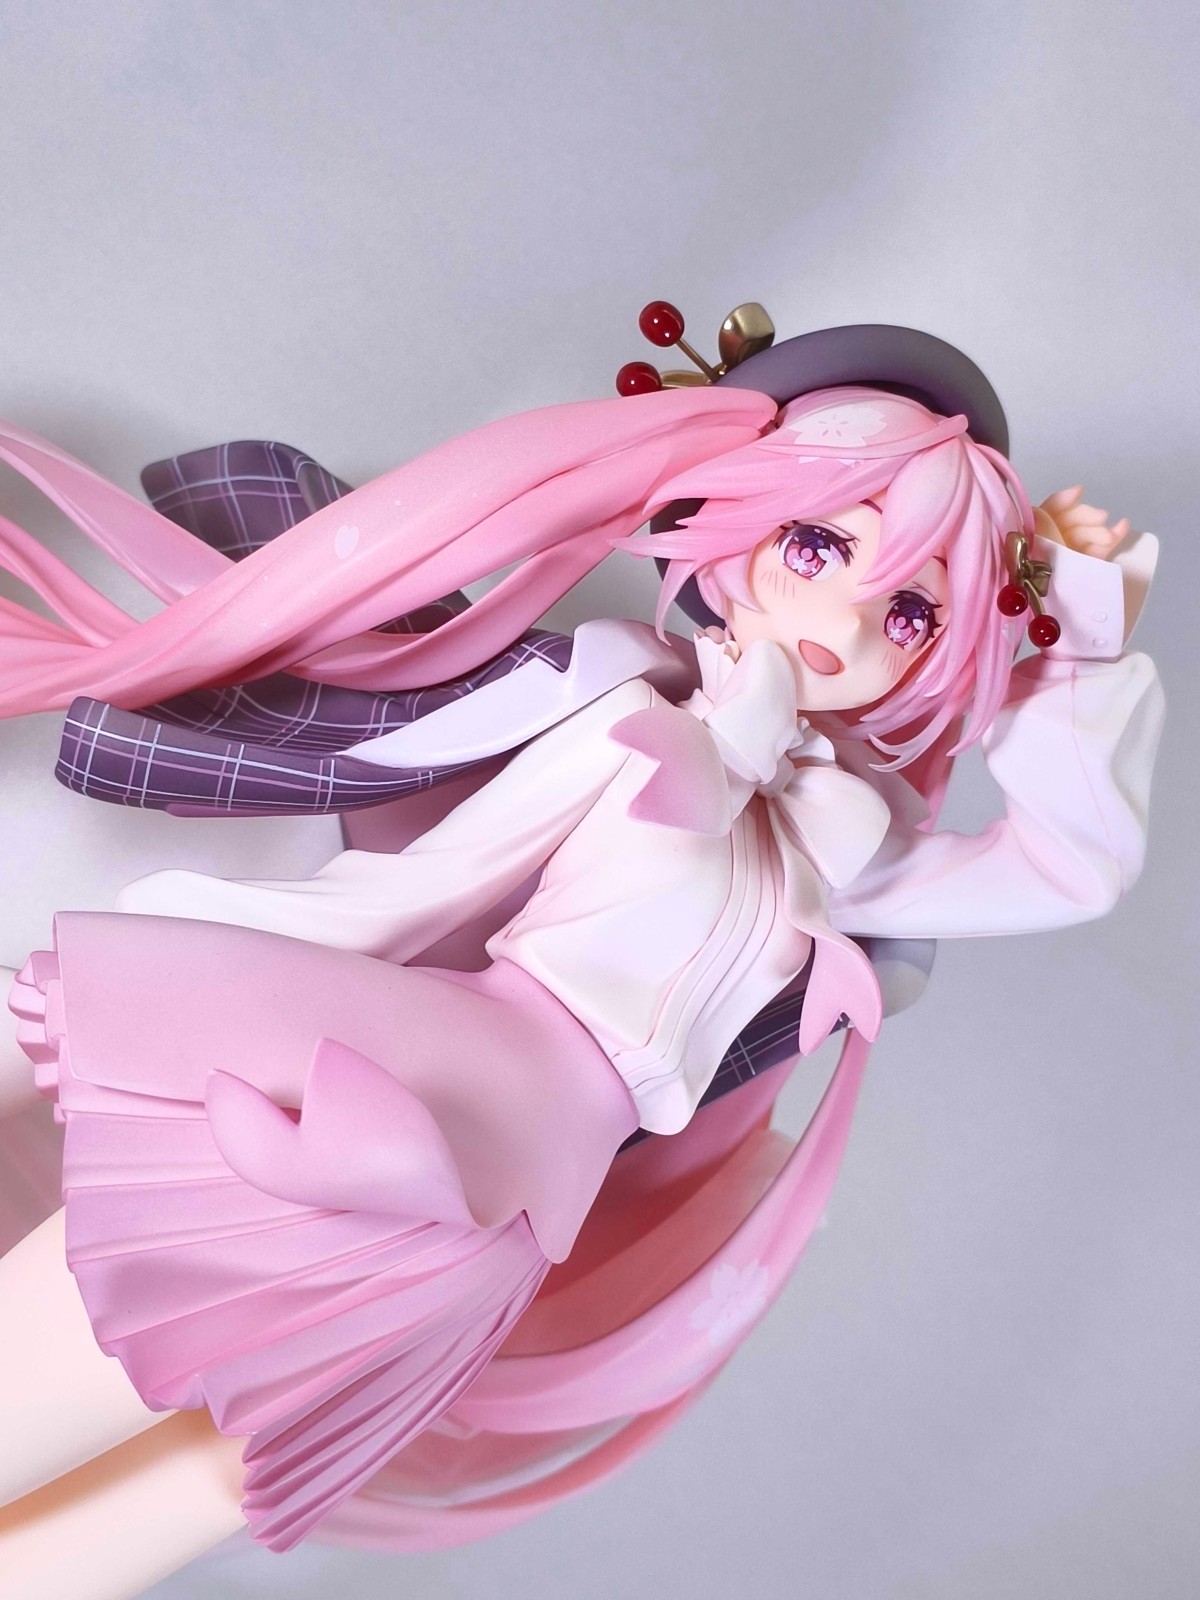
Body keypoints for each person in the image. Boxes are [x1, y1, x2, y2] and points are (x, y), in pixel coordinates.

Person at [0, 324, 1163, 1594]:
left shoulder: (841, 841)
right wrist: (193, 985)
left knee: (218, 1469)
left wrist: (1081, 640)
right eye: (817, 547)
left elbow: (1070, 868)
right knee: (90, 1366)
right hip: (409, 1087)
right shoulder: (624, 705)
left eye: (913, 611)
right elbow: (441, 861)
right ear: (727, 529)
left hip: (512, 1216)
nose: (847, 620)